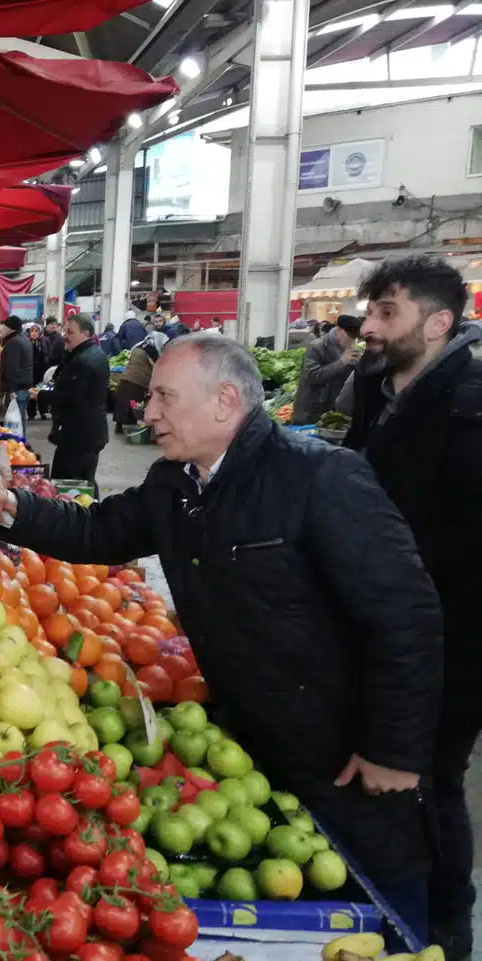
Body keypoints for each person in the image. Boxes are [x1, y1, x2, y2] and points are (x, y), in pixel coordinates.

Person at [0, 334, 441, 937]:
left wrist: (395, 749)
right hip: (248, 735)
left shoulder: (320, 478)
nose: (147, 412)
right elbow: (99, 531)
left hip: (341, 746)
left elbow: (406, 615)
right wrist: (10, 505)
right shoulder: (178, 482)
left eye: (165, 397)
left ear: (225, 401)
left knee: (379, 903)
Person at [342, 255, 482, 959]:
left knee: (431, 778)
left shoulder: (470, 406)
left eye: (386, 313)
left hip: (451, 639)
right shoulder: (380, 386)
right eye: (370, 311)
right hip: (382, 627)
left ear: (439, 323)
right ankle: (398, 900)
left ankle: (448, 924)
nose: (368, 326)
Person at [47, 314, 110, 483]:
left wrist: (42, 395)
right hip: (89, 434)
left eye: (70, 332)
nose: (65, 336)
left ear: (86, 334)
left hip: (78, 436)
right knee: (86, 481)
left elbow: (72, 398)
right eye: (65, 331)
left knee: (68, 482)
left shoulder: (82, 361)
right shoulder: (95, 354)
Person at [292, 314, 361, 425]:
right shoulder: (316, 347)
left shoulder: (350, 350)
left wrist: (358, 365)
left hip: (333, 412)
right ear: (339, 330)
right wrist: (342, 362)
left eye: (355, 337)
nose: (352, 340)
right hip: (311, 412)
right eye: (350, 335)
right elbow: (312, 376)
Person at [113, 330, 167, 433]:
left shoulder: (139, 345)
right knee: (134, 404)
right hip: (139, 381)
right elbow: (157, 366)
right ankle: (132, 429)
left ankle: (119, 426)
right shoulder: (151, 350)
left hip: (126, 377)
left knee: (122, 403)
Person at [0, 316, 34, 435]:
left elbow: (12, 368)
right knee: (20, 417)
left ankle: (19, 444)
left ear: (10, 328)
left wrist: (11, 389)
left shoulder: (13, 342)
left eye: (4, 327)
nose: (2, 330)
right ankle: (21, 442)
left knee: (16, 419)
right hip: (24, 385)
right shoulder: (24, 339)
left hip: (17, 387)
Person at [26, 324, 48, 421]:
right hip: (30, 371)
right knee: (31, 392)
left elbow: (46, 356)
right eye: (32, 331)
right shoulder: (27, 343)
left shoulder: (43, 342)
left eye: (36, 331)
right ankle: (31, 413)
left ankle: (43, 412)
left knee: (41, 391)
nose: (34, 333)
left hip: (41, 371)